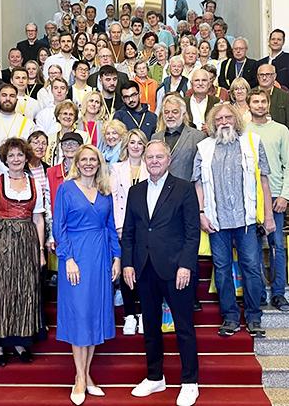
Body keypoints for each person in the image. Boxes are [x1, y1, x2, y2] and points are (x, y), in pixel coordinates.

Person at [121, 140, 200, 406]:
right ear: (144, 160)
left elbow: (192, 232)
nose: (154, 161)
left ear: (168, 159)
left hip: (176, 269)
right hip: (144, 268)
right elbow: (129, 232)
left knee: (184, 328)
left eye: (159, 157)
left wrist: (186, 265)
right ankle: (155, 377)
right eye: (150, 157)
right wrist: (128, 263)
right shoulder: (136, 191)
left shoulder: (184, 189)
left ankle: (190, 382)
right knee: (151, 327)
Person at [192, 103, 275, 339]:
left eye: (228, 117)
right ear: (212, 123)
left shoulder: (253, 142)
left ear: (236, 120)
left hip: (246, 220)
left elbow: (265, 182)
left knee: (251, 267)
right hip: (217, 221)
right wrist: (200, 213)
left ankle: (253, 317)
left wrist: (268, 215)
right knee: (222, 270)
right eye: (219, 119)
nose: (224, 121)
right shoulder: (203, 148)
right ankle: (229, 317)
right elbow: (197, 183)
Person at [53, 145, 121, 405]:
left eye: (93, 159)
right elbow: (59, 228)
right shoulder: (66, 189)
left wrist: (116, 257)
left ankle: (87, 375)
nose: (89, 163)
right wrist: (68, 258)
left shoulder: (105, 191)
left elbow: (111, 226)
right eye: (84, 159)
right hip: (76, 258)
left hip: (100, 257)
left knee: (94, 315)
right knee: (80, 315)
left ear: (99, 163)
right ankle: (79, 378)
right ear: (77, 163)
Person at [0, 137, 46, 366]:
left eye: (20, 155)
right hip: (0, 242)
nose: (16, 159)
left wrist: (41, 251)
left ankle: (19, 342)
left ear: (26, 158)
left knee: (24, 291)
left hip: (26, 242)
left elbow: (38, 220)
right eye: (11, 156)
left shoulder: (34, 183)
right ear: (5, 159)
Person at [245, 89, 289, 311]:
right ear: (248, 105)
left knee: (277, 246)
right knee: (251, 249)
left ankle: (278, 293)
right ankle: (257, 292)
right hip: (250, 197)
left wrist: (285, 195)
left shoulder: (281, 130)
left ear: (268, 104)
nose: (259, 105)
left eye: (263, 101)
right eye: (255, 101)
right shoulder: (242, 131)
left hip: (275, 195)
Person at [110, 130, 149, 336]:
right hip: (123, 227)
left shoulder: (149, 167)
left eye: (139, 143)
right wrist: (119, 226)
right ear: (126, 145)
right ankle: (130, 315)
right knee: (127, 268)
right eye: (132, 142)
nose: (135, 146)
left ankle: (143, 314)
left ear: (144, 146)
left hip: (145, 228)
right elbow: (114, 198)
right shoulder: (116, 169)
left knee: (143, 271)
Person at [152, 94, 206, 181]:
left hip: (187, 190)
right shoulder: (155, 138)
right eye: (166, 112)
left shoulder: (198, 137)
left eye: (175, 112)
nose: (170, 116)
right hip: (160, 191)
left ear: (183, 113)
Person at [258, 28, 289, 103]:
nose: (275, 41)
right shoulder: (260, 63)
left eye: (279, 39)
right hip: (263, 104)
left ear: (283, 42)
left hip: (283, 103)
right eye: (273, 39)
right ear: (269, 41)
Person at [256, 63, 289, 144]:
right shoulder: (251, 95)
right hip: (257, 141)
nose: (264, 77)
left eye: (268, 74)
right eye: (261, 75)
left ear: (274, 76)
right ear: (257, 77)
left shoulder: (284, 96)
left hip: (279, 141)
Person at [45, 100, 89, 165]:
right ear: (58, 116)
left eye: (71, 114)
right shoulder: (51, 137)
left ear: (75, 118)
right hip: (55, 173)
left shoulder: (84, 136)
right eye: (65, 113)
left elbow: (87, 156)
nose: (68, 117)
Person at [185, 69, 219, 133]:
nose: (200, 83)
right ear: (191, 84)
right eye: (197, 80)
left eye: (204, 80)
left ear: (209, 84)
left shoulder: (217, 102)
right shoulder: (183, 103)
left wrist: (212, 128)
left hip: (210, 140)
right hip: (187, 141)